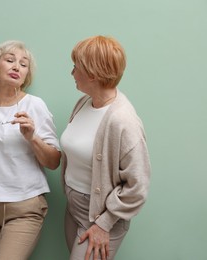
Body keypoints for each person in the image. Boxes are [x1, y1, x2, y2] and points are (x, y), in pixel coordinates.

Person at [0, 40, 61, 260]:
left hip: (25, 206)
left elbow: (54, 161)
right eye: (10, 60)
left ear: (27, 75)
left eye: (23, 64)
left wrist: (32, 137)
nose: (17, 67)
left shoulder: (35, 106)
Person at [60, 36, 151, 260]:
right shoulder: (83, 103)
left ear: (92, 74)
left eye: (76, 67)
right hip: (74, 208)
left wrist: (104, 224)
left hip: (100, 216)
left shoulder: (123, 121)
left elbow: (137, 186)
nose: (72, 73)